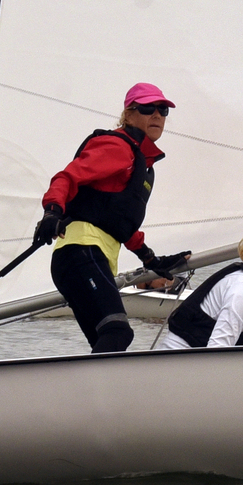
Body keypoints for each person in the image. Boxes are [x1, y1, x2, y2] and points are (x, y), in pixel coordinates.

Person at [34, 83, 190, 354]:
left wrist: (151, 259)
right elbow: (67, 177)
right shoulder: (117, 147)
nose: (157, 115)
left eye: (162, 110)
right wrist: (52, 211)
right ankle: (82, 393)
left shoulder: (141, 161)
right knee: (118, 332)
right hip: (82, 255)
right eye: (147, 108)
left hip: (82, 261)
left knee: (108, 343)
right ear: (129, 115)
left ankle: (93, 394)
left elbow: (117, 220)